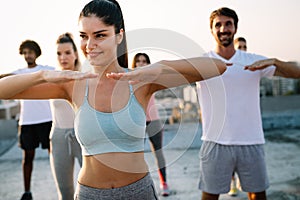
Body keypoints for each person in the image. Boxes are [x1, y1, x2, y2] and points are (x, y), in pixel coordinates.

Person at [0, 0, 227, 199]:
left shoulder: (142, 81)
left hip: (138, 192)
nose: (89, 45)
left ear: (119, 35)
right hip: (90, 194)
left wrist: (157, 69)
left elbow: (217, 67)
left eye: (99, 35)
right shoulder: (72, 85)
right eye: (83, 36)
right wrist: (42, 75)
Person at [196, 7, 300, 200]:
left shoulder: (253, 61)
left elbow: (296, 71)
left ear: (235, 28)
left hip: (251, 141)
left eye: (228, 24)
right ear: (211, 30)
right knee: (210, 196)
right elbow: (168, 74)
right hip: (214, 143)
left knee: (258, 196)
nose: (223, 29)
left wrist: (275, 62)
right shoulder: (202, 63)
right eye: (217, 24)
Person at [11, 40, 54, 200]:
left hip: (47, 120)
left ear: (36, 53)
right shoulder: (19, 73)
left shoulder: (46, 70)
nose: (28, 55)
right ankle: (27, 192)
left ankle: (60, 185)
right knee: (28, 158)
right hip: (27, 121)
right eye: (25, 52)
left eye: (30, 52)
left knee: (54, 156)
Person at [49, 33, 82, 200]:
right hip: (59, 138)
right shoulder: (51, 78)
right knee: (65, 192)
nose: (63, 57)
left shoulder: (86, 76)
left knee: (92, 191)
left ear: (75, 53)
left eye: (67, 52)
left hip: (84, 136)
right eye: (58, 53)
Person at [132, 53, 170, 196]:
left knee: (158, 154)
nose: (141, 64)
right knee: (135, 156)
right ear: (134, 64)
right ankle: (137, 186)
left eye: (144, 61)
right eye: (138, 61)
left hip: (154, 120)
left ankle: (164, 183)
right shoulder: (130, 79)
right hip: (137, 121)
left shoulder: (152, 78)